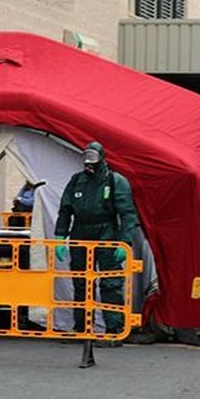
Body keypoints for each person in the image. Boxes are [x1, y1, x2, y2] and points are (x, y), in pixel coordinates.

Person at [54, 142, 138, 336]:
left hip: (107, 233)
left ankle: (113, 329)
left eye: (92, 159)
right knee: (81, 282)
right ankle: (81, 327)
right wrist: (60, 236)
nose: (89, 164)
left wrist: (124, 242)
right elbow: (65, 209)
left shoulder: (115, 181)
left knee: (111, 283)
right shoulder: (77, 181)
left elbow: (127, 214)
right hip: (80, 233)